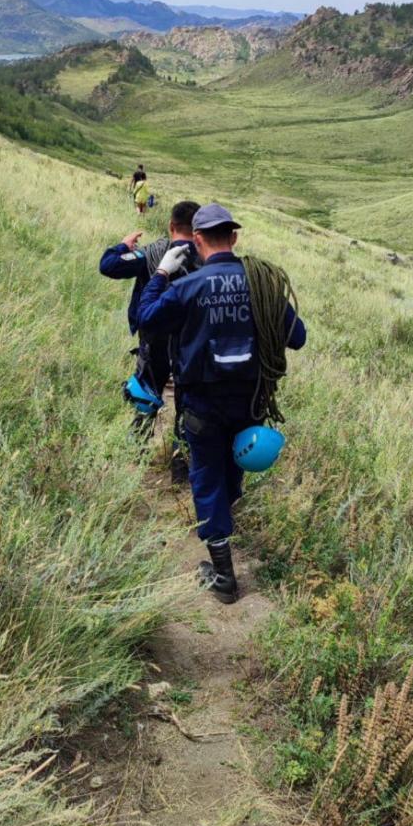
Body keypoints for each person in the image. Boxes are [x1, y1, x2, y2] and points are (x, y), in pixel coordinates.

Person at [137, 203, 306, 603]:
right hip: (250, 404)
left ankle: (225, 575)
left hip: (202, 404)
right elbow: (296, 338)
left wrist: (161, 271)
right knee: (230, 473)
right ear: (233, 237)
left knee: (207, 476)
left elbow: (147, 319)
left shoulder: (186, 286)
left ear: (196, 241)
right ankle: (224, 521)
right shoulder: (262, 284)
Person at [99, 200, 201, 481]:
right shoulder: (206, 258)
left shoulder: (153, 252)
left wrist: (123, 246)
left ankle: (135, 456)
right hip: (189, 345)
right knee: (187, 404)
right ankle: (181, 469)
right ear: (198, 229)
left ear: (171, 226)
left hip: (154, 340)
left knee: (146, 395)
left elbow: (108, 266)